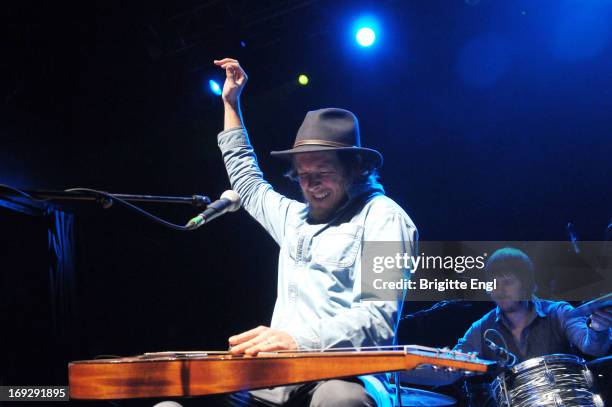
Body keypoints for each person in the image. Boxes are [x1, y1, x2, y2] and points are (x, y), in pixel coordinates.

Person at [212, 57, 418, 406]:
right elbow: (247, 183)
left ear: (354, 169)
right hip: (280, 378)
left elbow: (377, 322)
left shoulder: (385, 219)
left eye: (322, 173)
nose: (311, 185)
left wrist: (296, 340)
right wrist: (231, 104)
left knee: (338, 399)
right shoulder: (293, 218)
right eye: (303, 175)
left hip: (347, 376)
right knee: (195, 395)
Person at [455, 247, 611, 363]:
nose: (499, 290)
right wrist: (432, 364)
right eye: (493, 284)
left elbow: (593, 348)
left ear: (526, 285)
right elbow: (451, 369)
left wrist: (597, 329)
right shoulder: (480, 328)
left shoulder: (558, 312)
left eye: (507, 282)